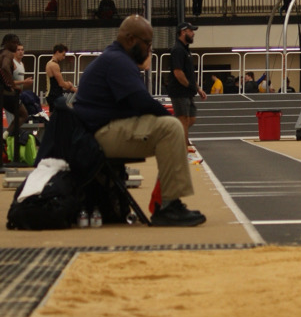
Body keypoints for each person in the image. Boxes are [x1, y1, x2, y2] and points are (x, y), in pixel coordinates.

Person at [72, 15, 205, 226]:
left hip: (96, 131)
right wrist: (168, 118)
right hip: (98, 135)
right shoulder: (118, 61)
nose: (148, 49)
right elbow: (141, 102)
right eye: (147, 43)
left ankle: (167, 203)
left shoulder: (115, 58)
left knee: (170, 127)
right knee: (171, 128)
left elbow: (135, 104)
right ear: (131, 40)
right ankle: (168, 206)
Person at [166, 22, 207, 159]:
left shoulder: (185, 50)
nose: (193, 33)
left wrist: (197, 88)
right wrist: (189, 85)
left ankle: (176, 136)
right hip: (179, 91)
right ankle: (182, 147)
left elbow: (189, 73)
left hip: (187, 91)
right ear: (183, 32)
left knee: (191, 118)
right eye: (191, 31)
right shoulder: (177, 50)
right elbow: (178, 73)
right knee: (183, 119)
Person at [1, 33, 27, 137]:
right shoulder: (8, 54)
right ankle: (6, 136)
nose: (16, 46)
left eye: (17, 43)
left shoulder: (2, 53)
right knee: (23, 114)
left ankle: (6, 135)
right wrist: (12, 85)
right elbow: (5, 67)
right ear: (7, 43)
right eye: (14, 43)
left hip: (3, 91)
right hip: (6, 92)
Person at [45, 44, 76, 111]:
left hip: (54, 95)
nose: (64, 57)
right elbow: (61, 83)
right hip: (54, 96)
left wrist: (73, 89)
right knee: (64, 115)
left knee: (55, 118)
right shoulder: (54, 65)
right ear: (57, 52)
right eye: (63, 55)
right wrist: (69, 84)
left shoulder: (50, 63)